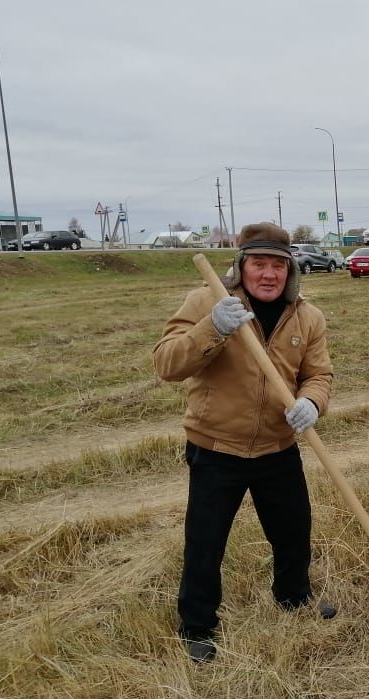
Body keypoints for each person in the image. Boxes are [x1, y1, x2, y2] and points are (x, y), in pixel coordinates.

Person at [153, 223, 335, 663]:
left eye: (278, 265)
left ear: (289, 270)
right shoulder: (206, 301)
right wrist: (211, 328)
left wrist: (311, 402)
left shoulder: (306, 316)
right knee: (206, 541)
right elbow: (166, 363)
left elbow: (319, 375)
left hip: (277, 446)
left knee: (293, 533)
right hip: (217, 446)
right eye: (259, 264)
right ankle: (198, 625)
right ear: (242, 266)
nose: (268, 274)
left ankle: (293, 597)